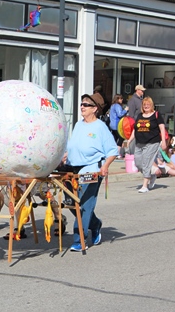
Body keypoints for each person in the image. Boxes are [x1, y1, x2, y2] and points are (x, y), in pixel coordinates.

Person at [66, 94, 118, 251]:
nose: (82, 106)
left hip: (92, 169)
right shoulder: (78, 125)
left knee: (84, 206)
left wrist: (105, 166)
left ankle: (79, 239)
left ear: (95, 109)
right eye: (81, 104)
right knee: (71, 203)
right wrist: (66, 155)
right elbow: (74, 145)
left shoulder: (100, 127)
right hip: (73, 169)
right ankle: (95, 224)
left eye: (86, 105)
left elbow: (113, 150)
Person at [127, 97, 166, 193]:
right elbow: (135, 129)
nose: (146, 106)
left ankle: (145, 186)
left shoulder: (156, 115)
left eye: (148, 104)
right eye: (144, 105)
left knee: (146, 162)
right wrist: (130, 140)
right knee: (138, 163)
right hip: (139, 142)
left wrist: (164, 141)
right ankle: (151, 174)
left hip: (152, 142)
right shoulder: (140, 115)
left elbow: (162, 128)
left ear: (151, 105)